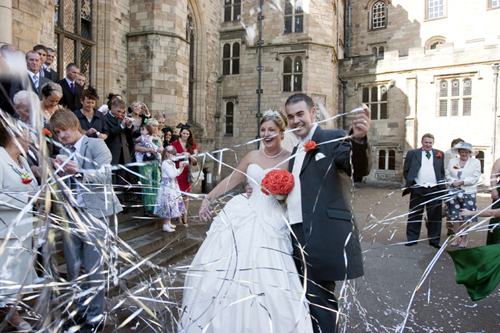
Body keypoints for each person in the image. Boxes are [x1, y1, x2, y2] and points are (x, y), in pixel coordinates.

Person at [187, 109, 313, 332]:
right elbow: (232, 179)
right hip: (244, 214)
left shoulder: (291, 158)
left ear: (282, 132)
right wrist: (208, 197)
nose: (266, 134)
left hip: (273, 220)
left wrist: (282, 196)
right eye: (263, 130)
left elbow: (298, 193)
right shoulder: (252, 157)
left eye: (271, 130)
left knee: (269, 274)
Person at [283, 93, 370, 333]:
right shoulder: (294, 151)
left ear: (313, 113)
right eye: (290, 117)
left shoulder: (334, 137)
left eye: (300, 114)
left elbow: (357, 168)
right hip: (295, 232)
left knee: (320, 300)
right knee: (304, 297)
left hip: (323, 233)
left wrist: (359, 140)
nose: (295, 121)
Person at [50, 108, 122, 333]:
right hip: (71, 215)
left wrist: (79, 171)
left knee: (93, 270)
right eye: (57, 132)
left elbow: (105, 175)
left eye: (63, 130)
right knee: (73, 269)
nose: (61, 135)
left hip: (94, 215)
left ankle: (95, 318)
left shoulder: (95, 145)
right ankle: (80, 311)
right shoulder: (63, 150)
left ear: (73, 123)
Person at [0, 121, 38, 332]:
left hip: (24, 230)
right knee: (5, 277)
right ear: (13, 137)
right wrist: (27, 197)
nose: (30, 141)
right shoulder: (0, 158)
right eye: (27, 136)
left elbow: (30, 187)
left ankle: (11, 311)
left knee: (17, 277)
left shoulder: (22, 160)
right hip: (5, 230)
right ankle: (12, 315)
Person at [403, 133, 446, 248]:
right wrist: (412, 183)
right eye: (426, 142)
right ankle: (412, 238)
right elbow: (406, 170)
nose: (428, 145)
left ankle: (434, 240)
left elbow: (441, 172)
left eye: (430, 143)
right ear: (422, 142)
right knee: (415, 214)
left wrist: (441, 187)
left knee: (435, 215)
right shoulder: (412, 153)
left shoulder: (439, 154)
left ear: (433, 143)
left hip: (434, 189)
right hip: (418, 189)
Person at [445, 142, 482, 248]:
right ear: (458, 152)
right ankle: (456, 236)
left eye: (466, 152)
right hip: (453, 191)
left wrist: (462, 182)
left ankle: (464, 239)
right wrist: (453, 182)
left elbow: (475, 177)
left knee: (465, 216)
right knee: (455, 216)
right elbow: (447, 173)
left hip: (468, 192)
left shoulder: (475, 162)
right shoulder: (453, 161)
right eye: (462, 152)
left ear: (470, 153)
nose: (464, 154)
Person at [104, 98, 133, 202]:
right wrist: (121, 125)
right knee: (112, 176)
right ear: (112, 107)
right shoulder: (105, 118)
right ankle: (112, 200)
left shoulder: (121, 118)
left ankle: (121, 200)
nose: (120, 113)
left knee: (122, 176)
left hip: (123, 150)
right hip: (112, 150)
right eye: (118, 111)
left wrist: (129, 125)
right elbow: (109, 133)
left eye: (122, 111)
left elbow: (128, 134)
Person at [154, 146, 188, 232]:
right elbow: (171, 175)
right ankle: (165, 224)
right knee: (168, 203)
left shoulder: (171, 163)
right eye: (173, 154)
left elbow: (176, 173)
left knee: (172, 202)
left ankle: (168, 222)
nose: (175, 156)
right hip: (167, 187)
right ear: (167, 153)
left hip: (172, 185)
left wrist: (181, 168)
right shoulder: (165, 163)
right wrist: (180, 168)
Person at [172, 123, 198, 225]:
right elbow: (171, 156)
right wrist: (180, 154)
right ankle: (178, 216)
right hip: (177, 172)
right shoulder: (174, 144)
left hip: (187, 173)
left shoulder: (192, 145)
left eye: (187, 134)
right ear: (180, 133)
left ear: (189, 135)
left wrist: (189, 155)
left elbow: (195, 160)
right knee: (177, 195)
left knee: (186, 196)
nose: (185, 135)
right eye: (183, 133)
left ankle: (185, 216)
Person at [136, 118, 162, 216]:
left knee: (156, 184)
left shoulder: (157, 138)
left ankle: (155, 207)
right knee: (148, 184)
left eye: (157, 126)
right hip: (145, 163)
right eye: (153, 126)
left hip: (155, 163)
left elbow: (162, 148)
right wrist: (149, 149)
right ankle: (148, 208)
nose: (156, 128)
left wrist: (160, 149)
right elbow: (136, 147)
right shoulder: (143, 137)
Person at [443, 138, 465, 236]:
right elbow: (446, 170)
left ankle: (451, 228)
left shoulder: (459, 156)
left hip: (459, 186)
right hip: (450, 186)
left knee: (453, 207)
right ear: (454, 145)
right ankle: (434, 218)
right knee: (451, 206)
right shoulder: (448, 154)